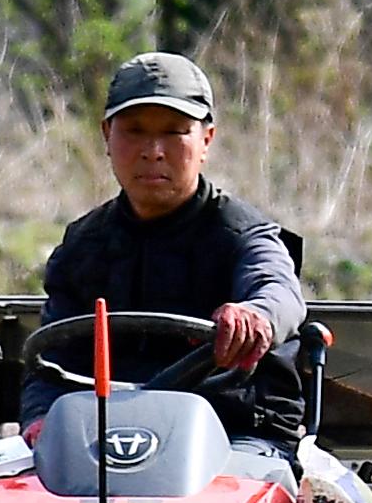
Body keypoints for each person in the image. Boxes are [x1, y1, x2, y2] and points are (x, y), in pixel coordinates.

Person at [40, 52, 308, 434]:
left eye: (174, 131)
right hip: (105, 443)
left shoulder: (243, 232)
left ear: (206, 141)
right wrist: (39, 422)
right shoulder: (82, 245)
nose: (153, 151)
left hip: (236, 438)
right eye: (134, 130)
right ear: (106, 136)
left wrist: (255, 316)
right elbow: (50, 365)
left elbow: (278, 290)